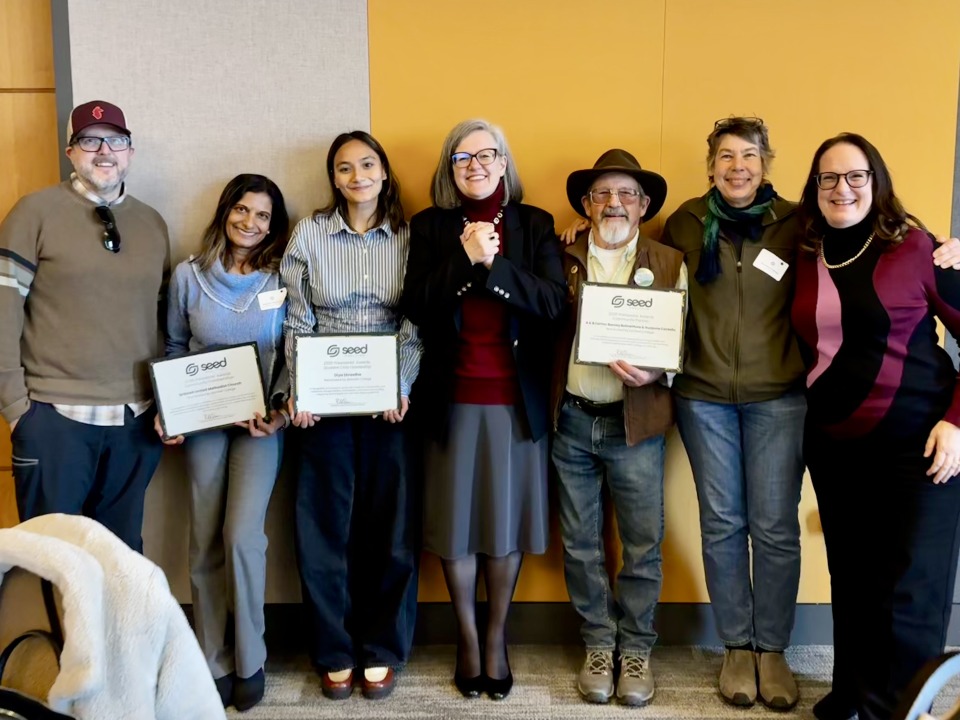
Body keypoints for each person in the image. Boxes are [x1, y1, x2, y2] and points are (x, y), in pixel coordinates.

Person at [792, 132, 960, 720]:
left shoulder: (919, 248)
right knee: (856, 580)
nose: (842, 188)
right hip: (836, 447)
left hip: (921, 442)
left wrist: (958, 423)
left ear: (876, 181)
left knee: (911, 589)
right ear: (814, 189)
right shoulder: (805, 251)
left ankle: (901, 710)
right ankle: (856, 697)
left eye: (855, 176)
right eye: (828, 178)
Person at [401, 118, 566, 701]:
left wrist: (493, 269)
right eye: (461, 157)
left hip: (514, 401)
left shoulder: (534, 224)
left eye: (485, 155)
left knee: (504, 523)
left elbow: (552, 302)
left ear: (503, 162)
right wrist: (465, 259)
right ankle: (466, 641)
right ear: (450, 169)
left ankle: (497, 638)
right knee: (455, 525)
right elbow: (416, 303)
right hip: (451, 399)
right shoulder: (429, 227)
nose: (474, 165)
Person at [659, 117, 806, 710]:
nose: (738, 166)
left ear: (766, 163)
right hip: (702, 396)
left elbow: (866, 237)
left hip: (780, 396)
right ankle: (736, 648)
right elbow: (643, 269)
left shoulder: (799, 222)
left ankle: (772, 649)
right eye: (726, 155)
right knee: (722, 523)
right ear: (711, 164)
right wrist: (573, 233)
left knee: (774, 526)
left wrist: (937, 242)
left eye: (749, 155)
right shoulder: (687, 222)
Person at [281, 130, 421, 701]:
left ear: (384, 172)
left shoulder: (410, 237)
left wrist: (401, 382)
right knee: (324, 529)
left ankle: (383, 647)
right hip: (323, 403)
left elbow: (416, 320)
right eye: (344, 168)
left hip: (389, 400)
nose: (357, 176)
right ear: (333, 178)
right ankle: (334, 648)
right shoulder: (309, 234)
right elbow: (297, 319)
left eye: (367, 165)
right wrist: (300, 390)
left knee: (389, 529)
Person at [0, 99, 169, 551]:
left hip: (134, 421)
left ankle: (116, 629)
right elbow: (2, 310)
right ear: (71, 151)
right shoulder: (32, 212)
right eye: (89, 140)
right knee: (52, 557)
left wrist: (167, 404)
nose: (104, 151)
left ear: (130, 151)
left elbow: (159, 318)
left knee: (121, 560)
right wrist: (17, 407)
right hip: (54, 418)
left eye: (116, 141)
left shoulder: (152, 224)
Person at [551, 149, 686, 706]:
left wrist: (659, 368)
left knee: (643, 545)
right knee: (581, 544)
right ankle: (598, 645)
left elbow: (685, 341)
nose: (614, 203)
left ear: (644, 205)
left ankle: (637, 649)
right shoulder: (560, 256)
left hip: (636, 425)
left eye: (626, 193)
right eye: (602, 194)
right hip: (573, 421)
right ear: (585, 205)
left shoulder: (670, 261)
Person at [159, 173, 290, 711]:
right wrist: (172, 409)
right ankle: (210, 657)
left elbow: (293, 349)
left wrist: (281, 413)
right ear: (224, 212)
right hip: (203, 424)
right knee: (205, 539)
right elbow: (171, 343)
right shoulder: (188, 276)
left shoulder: (281, 277)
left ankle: (250, 657)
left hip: (260, 426)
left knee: (242, 536)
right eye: (242, 210)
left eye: (262, 215)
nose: (250, 223)